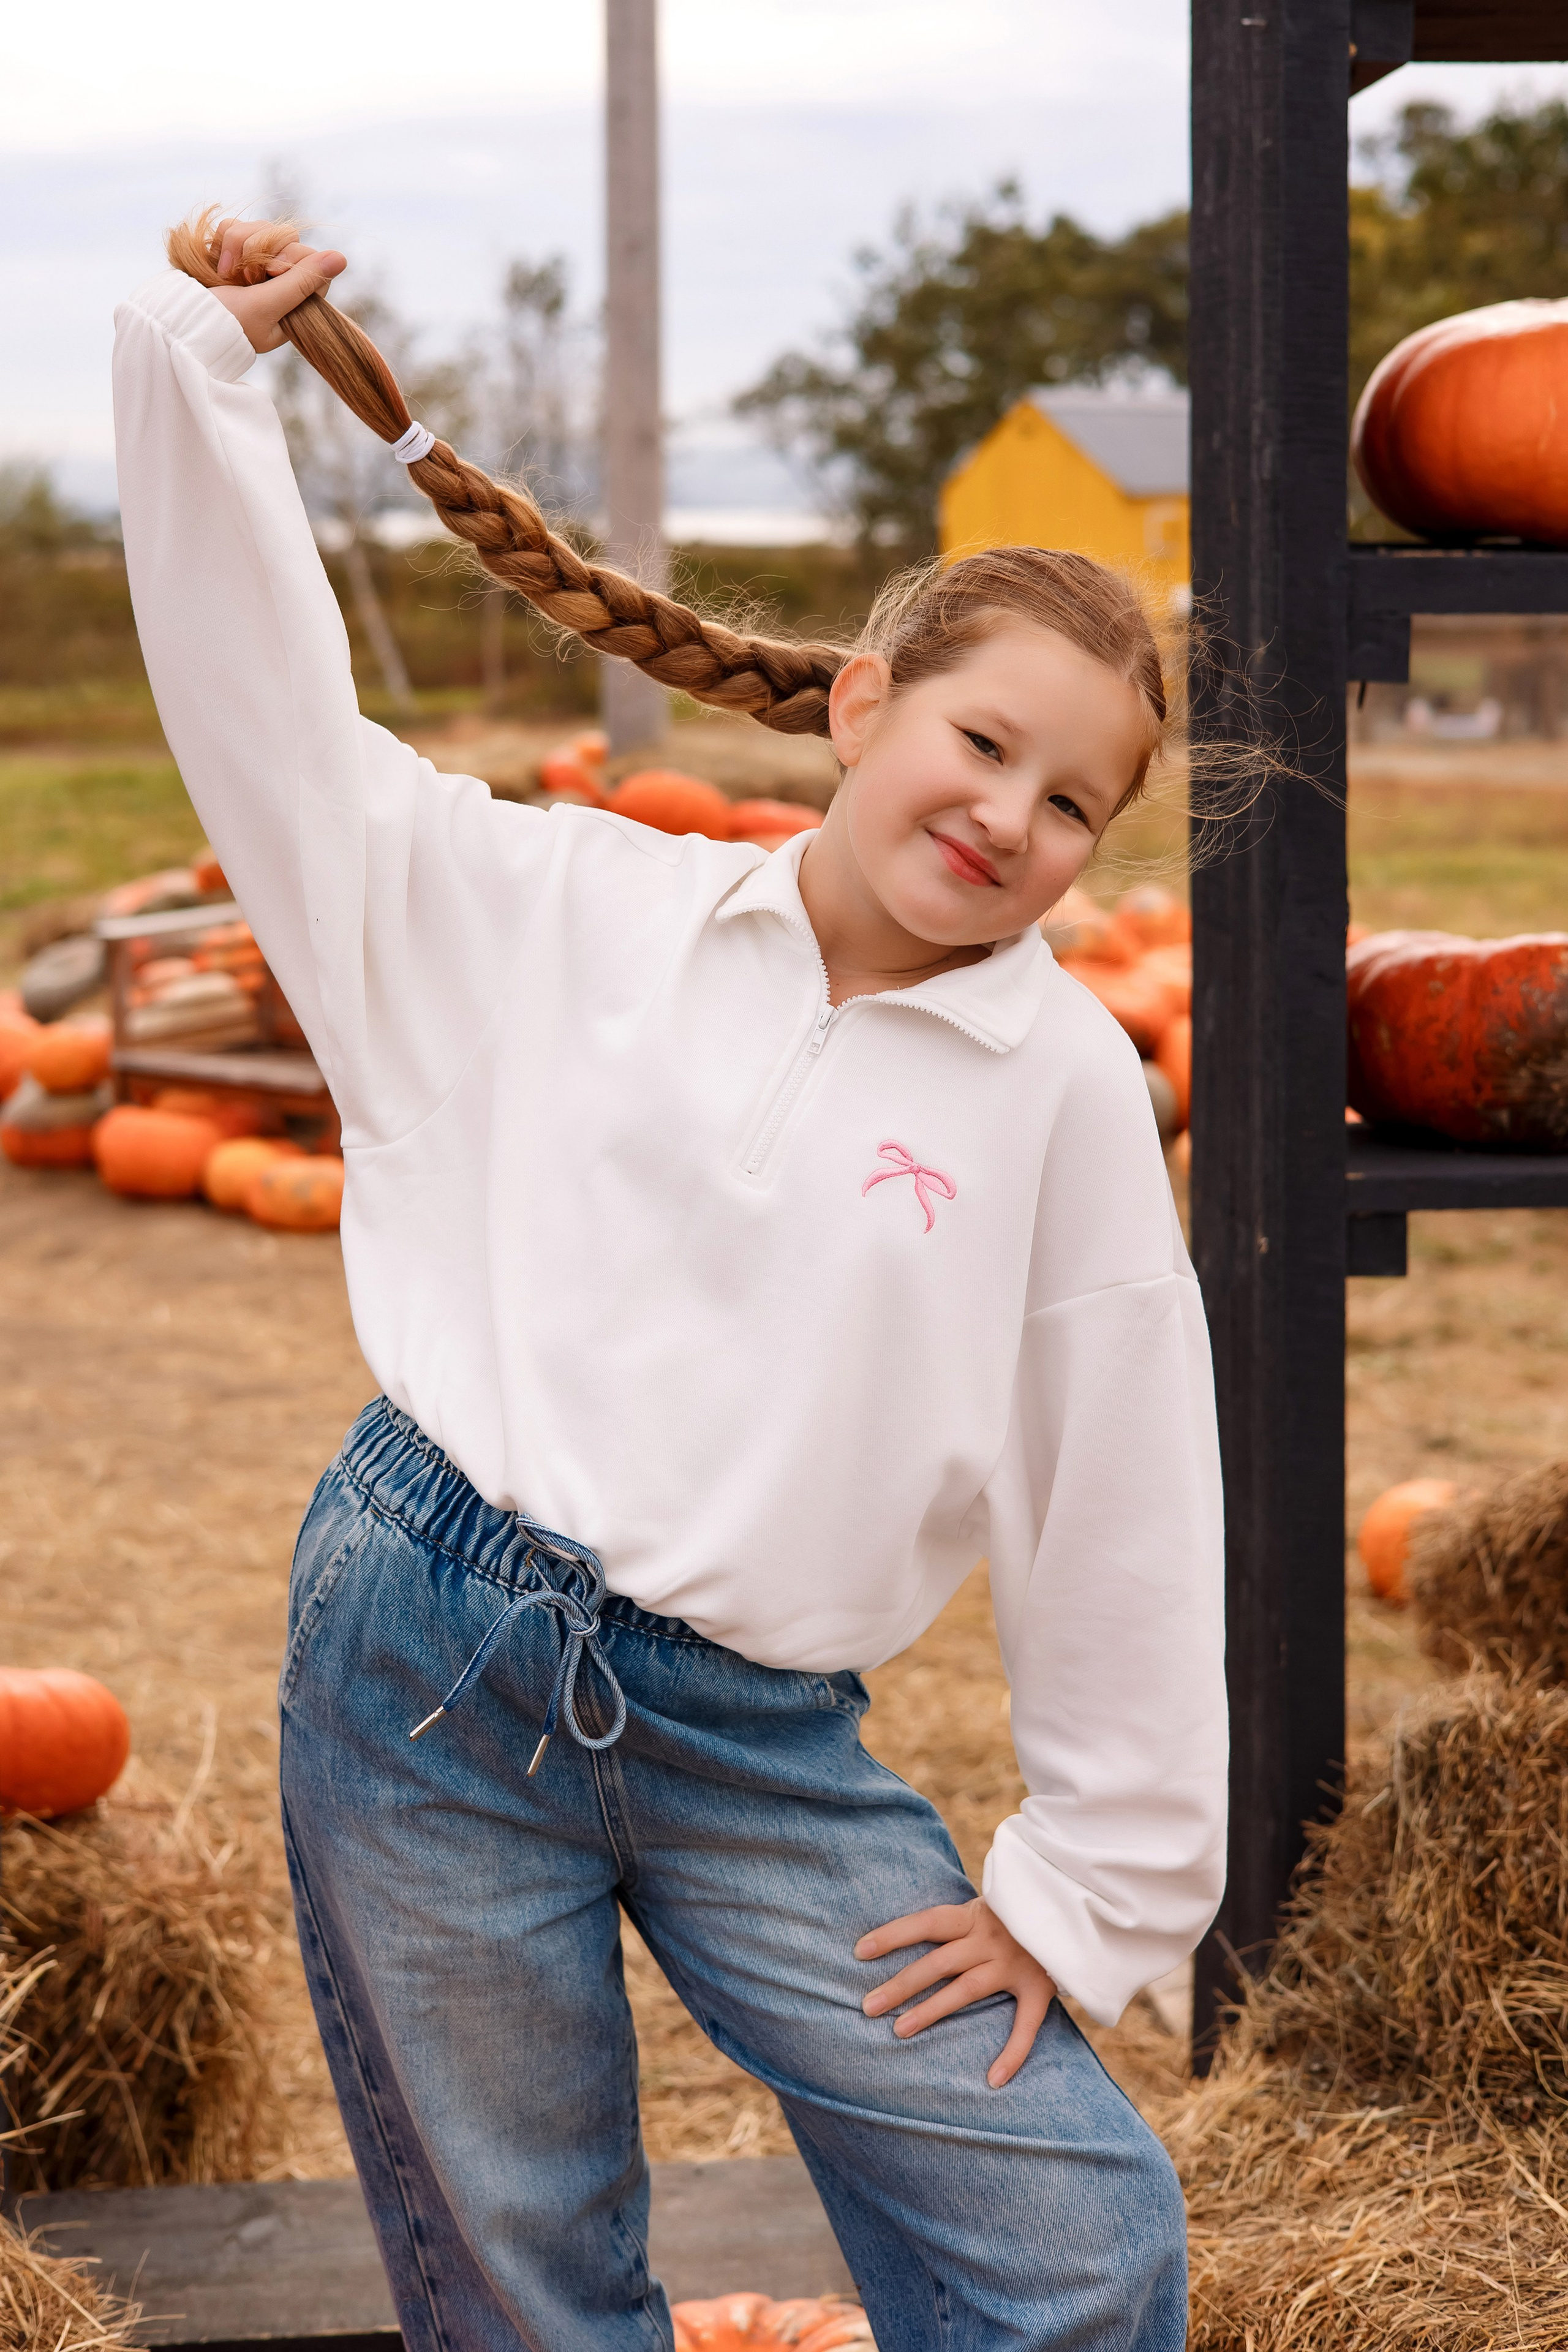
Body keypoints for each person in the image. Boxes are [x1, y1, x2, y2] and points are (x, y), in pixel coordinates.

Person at [112, 214, 1227, 2352]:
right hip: (427, 1657)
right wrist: (201, 379)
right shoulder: (559, 909)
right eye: (984, 744)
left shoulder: (1061, 1089)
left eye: (1076, 802)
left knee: (1078, 2258)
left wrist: (1090, 1895)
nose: (1011, 817)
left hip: (757, 1744)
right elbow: (279, 747)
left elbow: (1125, 1494)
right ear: (868, 701)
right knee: (530, 2290)